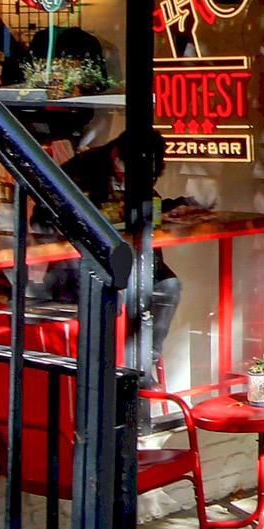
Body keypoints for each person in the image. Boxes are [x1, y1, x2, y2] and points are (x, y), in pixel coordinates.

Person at [42, 126, 182, 374]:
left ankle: (145, 361)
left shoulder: (140, 167)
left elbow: (147, 203)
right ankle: (112, 371)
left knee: (168, 286)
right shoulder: (83, 170)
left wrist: (175, 206)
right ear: (117, 155)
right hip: (83, 262)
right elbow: (45, 218)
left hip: (128, 257)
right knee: (116, 295)